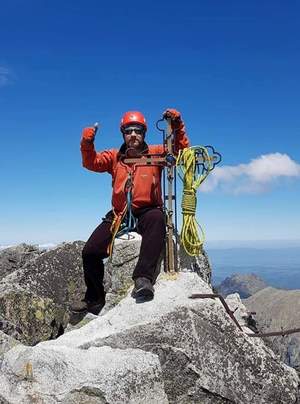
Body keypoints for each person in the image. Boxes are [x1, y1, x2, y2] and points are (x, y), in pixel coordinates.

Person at [71, 109, 189, 315]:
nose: (133, 134)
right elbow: (91, 163)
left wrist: (177, 126)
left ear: (144, 133)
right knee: (90, 251)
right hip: (120, 212)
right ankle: (94, 299)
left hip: (148, 209)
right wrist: (87, 144)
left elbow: (180, 152)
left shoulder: (156, 151)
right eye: (128, 131)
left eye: (138, 130)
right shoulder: (115, 156)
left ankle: (143, 278)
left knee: (157, 220)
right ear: (123, 134)